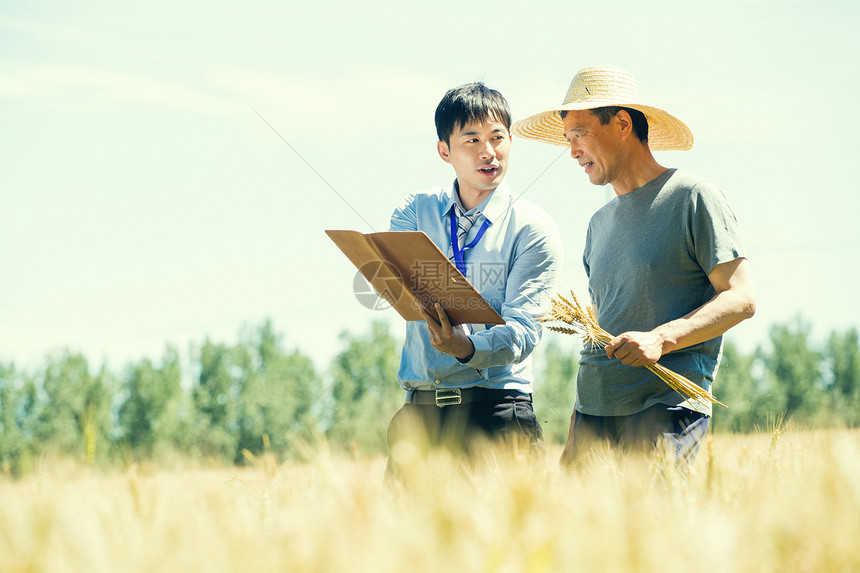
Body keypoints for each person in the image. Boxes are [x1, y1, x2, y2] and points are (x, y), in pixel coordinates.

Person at [511, 66, 756, 465]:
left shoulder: (693, 197)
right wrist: (574, 438)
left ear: (622, 123)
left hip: (667, 407)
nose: (572, 151)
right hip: (594, 414)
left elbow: (742, 298)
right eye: (567, 138)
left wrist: (661, 338)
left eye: (580, 133)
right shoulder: (598, 225)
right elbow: (600, 329)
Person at [385, 82, 563, 477]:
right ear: (444, 150)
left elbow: (523, 331)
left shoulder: (534, 229)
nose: (489, 151)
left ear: (511, 141)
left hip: (495, 413)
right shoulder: (415, 212)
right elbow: (400, 287)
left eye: (498, 138)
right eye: (472, 140)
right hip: (421, 414)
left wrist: (465, 347)